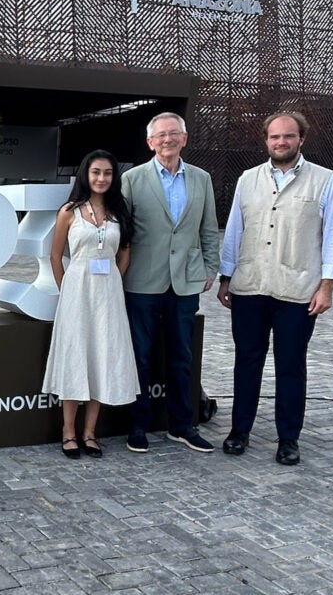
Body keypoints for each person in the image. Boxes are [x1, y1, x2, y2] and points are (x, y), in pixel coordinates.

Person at [217, 112, 333, 466]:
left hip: (298, 290)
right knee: (247, 362)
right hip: (250, 287)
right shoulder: (248, 180)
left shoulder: (325, 181)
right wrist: (226, 276)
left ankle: (288, 438)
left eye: (288, 136)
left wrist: (328, 287)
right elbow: (234, 230)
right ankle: (239, 430)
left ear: (301, 138)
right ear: (266, 140)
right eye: (274, 137)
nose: (281, 142)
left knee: (291, 366)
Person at [121, 112, 219, 454]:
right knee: (141, 356)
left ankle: (183, 425)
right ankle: (138, 425)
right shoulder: (132, 179)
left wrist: (210, 267)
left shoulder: (201, 179)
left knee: (182, 357)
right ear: (150, 142)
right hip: (142, 281)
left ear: (184, 138)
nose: (167, 139)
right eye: (160, 135)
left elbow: (208, 226)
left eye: (173, 133)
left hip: (186, 281)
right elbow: (125, 233)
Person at [41, 150, 139, 460]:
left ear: (113, 177)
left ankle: (90, 433)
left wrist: (111, 280)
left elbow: (124, 254)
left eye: (107, 173)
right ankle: (68, 432)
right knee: (76, 356)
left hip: (108, 297)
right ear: (86, 174)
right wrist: (67, 288)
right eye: (96, 172)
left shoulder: (118, 213)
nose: (101, 178)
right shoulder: (69, 211)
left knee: (101, 357)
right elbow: (56, 256)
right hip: (77, 293)